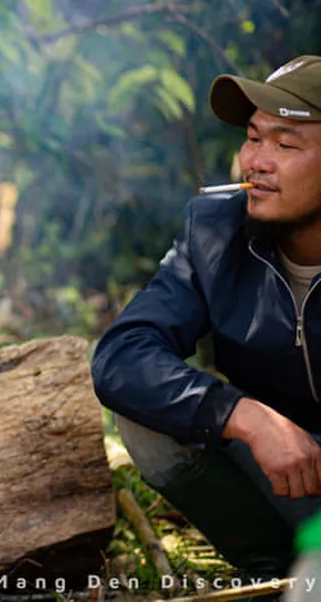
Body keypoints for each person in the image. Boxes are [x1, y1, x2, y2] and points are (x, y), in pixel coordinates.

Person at [91, 54, 321, 577]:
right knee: (147, 415)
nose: (256, 161)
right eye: (254, 137)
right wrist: (247, 417)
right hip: (278, 472)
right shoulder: (216, 233)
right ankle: (270, 568)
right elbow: (121, 358)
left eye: (285, 144)